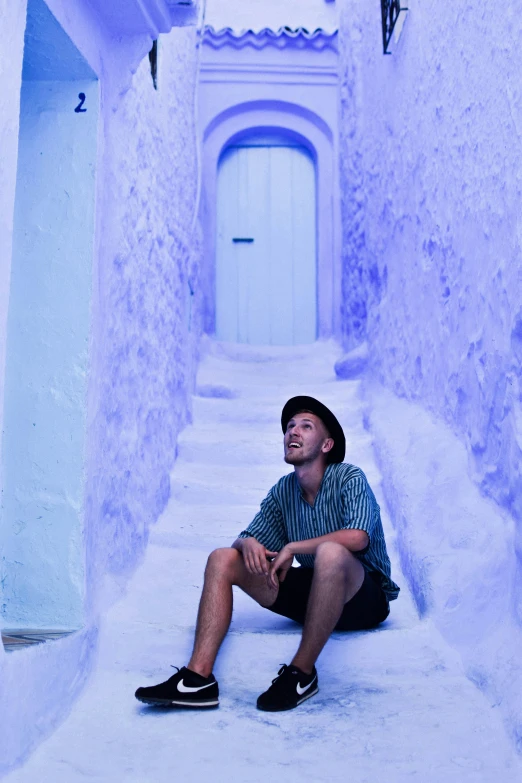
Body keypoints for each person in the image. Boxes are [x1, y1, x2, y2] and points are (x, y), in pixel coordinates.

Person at [135, 395, 400, 712]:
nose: (293, 432)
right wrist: (246, 544)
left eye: (305, 426)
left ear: (327, 445)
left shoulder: (348, 477)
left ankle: (301, 674)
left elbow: (357, 538)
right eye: (289, 427)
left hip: (363, 597)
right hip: (319, 593)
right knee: (222, 558)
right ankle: (198, 679)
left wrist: (292, 547)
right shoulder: (284, 490)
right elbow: (248, 538)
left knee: (331, 552)